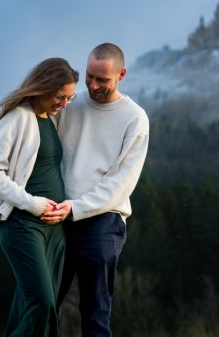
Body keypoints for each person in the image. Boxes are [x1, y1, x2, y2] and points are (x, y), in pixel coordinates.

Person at [41, 43, 149, 336]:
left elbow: (121, 183)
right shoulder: (67, 105)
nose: (93, 84)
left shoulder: (135, 118)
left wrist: (77, 207)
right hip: (56, 215)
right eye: (90, 76)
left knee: (95, 313)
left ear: (121, 75)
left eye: (103, 79)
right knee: (43, 304)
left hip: (103, 220)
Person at [0, 57, 79, 337]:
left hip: (55, 230)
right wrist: (33, 203)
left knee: (31, 304)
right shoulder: (16, 117)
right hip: (23, 225)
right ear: (44, 86)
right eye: (60, 96)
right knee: (42, 303)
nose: (64, 104)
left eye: (69, 98)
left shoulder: (50, 119)